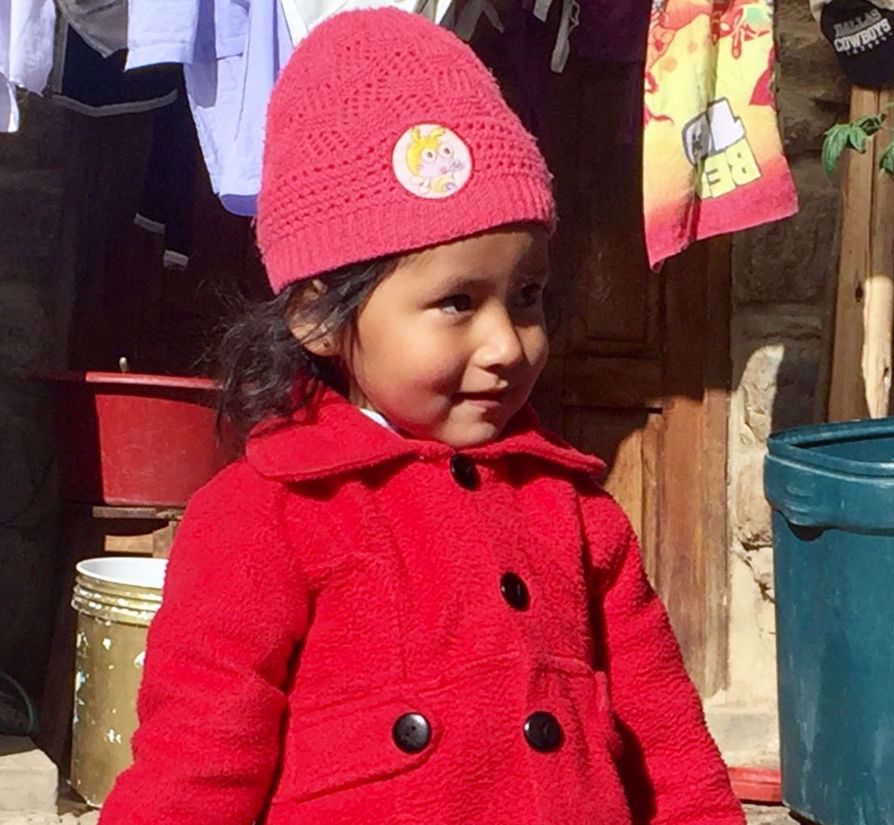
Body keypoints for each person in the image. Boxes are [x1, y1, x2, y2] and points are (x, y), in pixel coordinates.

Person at [97, 10, 744, 825]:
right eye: (457, 303)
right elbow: (194, 772)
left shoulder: (577, 514)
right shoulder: (261, 519)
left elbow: (674, 761)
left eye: (527, 296)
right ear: (318, 316)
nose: (507, 343)